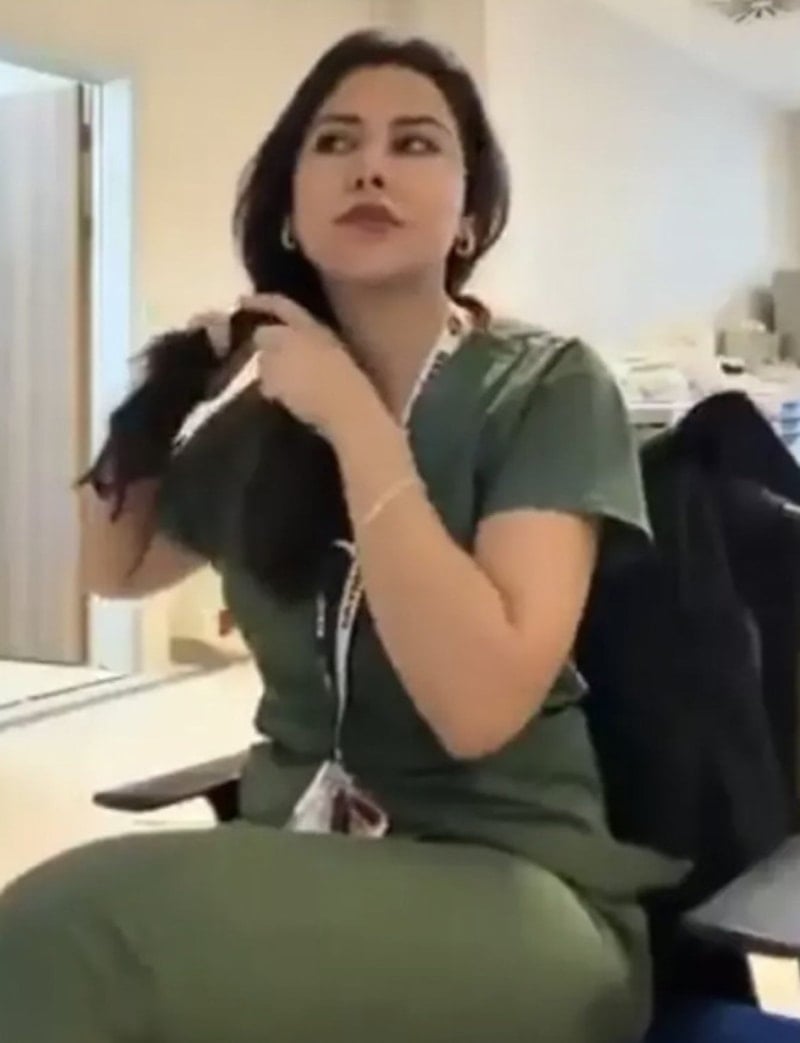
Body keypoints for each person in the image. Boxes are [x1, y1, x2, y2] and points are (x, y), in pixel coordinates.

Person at [0, 29, 680, 1043]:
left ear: (470, 215)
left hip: (516, 893)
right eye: (334, 142)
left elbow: (477, 706)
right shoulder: (265, 416)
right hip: (304, 856)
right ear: (289, 205)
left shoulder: (546, 388)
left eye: (415, 143)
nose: (369, 165)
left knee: (72, 931)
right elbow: (119, 567)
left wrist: (355, 422)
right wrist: (164, 397)